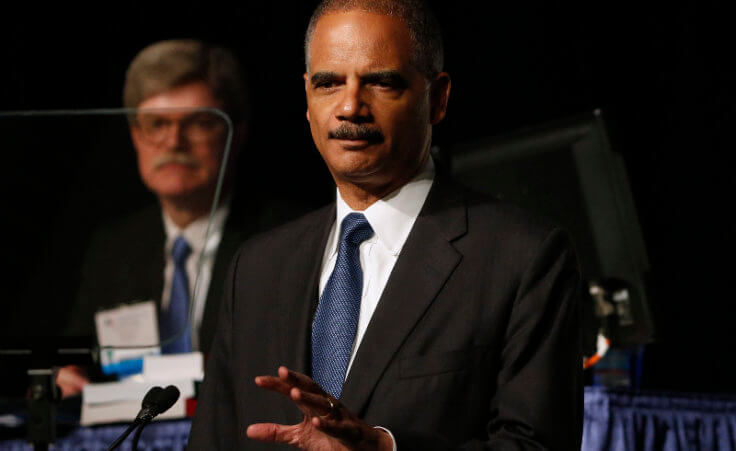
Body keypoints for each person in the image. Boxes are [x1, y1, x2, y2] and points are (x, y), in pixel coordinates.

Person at [189, 1, 582, 449]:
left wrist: (384, 448)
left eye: (381, 82)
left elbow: (538, 445)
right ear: (306, 97)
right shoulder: (257, 267)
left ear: (438, 99)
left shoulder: (523, 257)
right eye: (328, 83)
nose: (350, 106)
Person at [58, 40, 259, 397]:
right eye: (156, 124)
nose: (173, 142)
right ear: (136, 136)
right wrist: (66, 378)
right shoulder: (112, 248)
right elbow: (77, 364)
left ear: (235, 135)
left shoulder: (282, 240)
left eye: (197, 123)